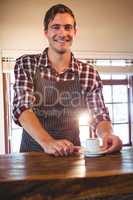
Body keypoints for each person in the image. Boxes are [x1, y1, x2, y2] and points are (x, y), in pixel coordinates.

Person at [12, 4, 122, 156]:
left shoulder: (88, 72)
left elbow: (99, 115)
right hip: (33, 155)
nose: (62, 33)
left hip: (72, 154)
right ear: (46, 32)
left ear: (75, 32)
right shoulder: (27, 64)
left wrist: (107, 134)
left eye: (68, 27)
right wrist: (48, 142)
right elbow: (22, 108)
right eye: (55, 27)